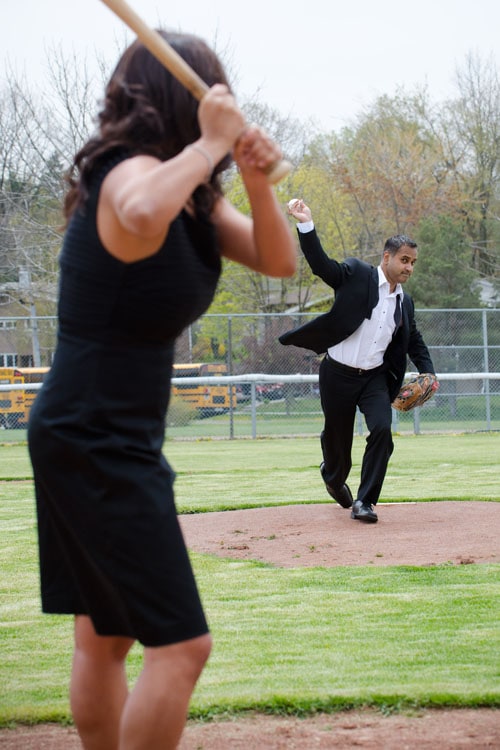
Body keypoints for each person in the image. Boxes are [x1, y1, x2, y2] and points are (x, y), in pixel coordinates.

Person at [27, 31, 296, 750]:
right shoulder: (122, 172)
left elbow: (279, 260)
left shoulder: (195, 203)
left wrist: (257, 178)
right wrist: (210, 147)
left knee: (105, 636)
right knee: (182, 647)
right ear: (189, 101)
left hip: (102, 433)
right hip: (93, 435)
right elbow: (139, 212)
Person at [280, 199, 437, 524]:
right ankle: (333, 476)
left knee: (382, 430)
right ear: (387, 257)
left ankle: (365, 501)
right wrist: (306, 224)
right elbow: (323, 266)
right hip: (337, 374)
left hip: (374, 379)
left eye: (413, 262)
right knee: (339, 444)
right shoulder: (356, 275)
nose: (409, 267)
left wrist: (429, 372)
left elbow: (414, 340)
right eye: (404, 260)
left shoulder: (404, 303)